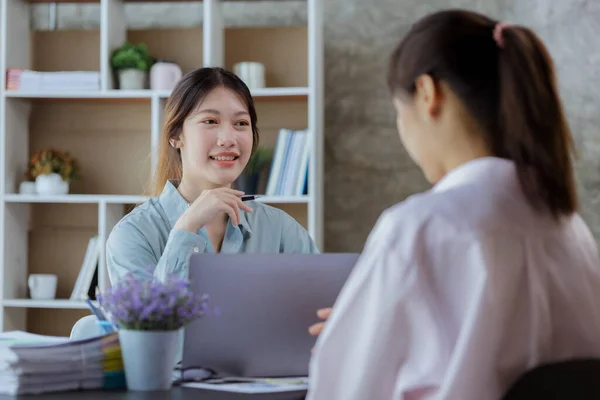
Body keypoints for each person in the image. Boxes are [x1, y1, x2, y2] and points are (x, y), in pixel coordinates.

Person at [307, 9, 600, 400]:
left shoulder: (419, 227)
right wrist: (370, 330)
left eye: (398, 112)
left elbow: (341, 391)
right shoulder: (570, 229)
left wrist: (355, 342)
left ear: (428, 94)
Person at [106, 67, 318, 284]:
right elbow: (149, 318)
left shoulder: (281, 229)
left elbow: (320, 304)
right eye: (210, 121)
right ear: (176, 136)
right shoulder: (134, 234)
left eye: (241, 123)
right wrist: (186, 230)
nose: (228, 139)